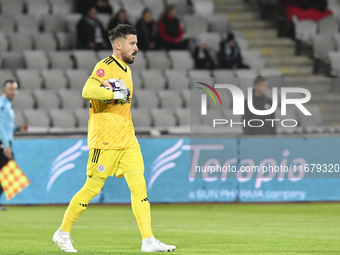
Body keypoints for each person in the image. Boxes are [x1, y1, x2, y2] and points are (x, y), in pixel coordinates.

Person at [52, 24, 176, 253]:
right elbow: (87, 91)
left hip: (128, 139)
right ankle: (62, 233)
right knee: (91, 189)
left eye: (136, 43)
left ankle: (148, 240)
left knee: (139, 189)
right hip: (105, 141)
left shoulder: (127, 70)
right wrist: (112, 93)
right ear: (118, 45)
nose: (136, 48)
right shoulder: (104, 66)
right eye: (132, 43)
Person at [0, 80, 28, 211]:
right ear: (4, 90)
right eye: (11, 89)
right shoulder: (2, 104)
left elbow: (6, 126)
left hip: (5, 141)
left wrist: (17, 128)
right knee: (8, 174)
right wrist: (5, 145)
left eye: (15, 89)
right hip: (2, 143)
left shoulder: (7, 105)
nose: (13, 92)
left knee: (7, 175)